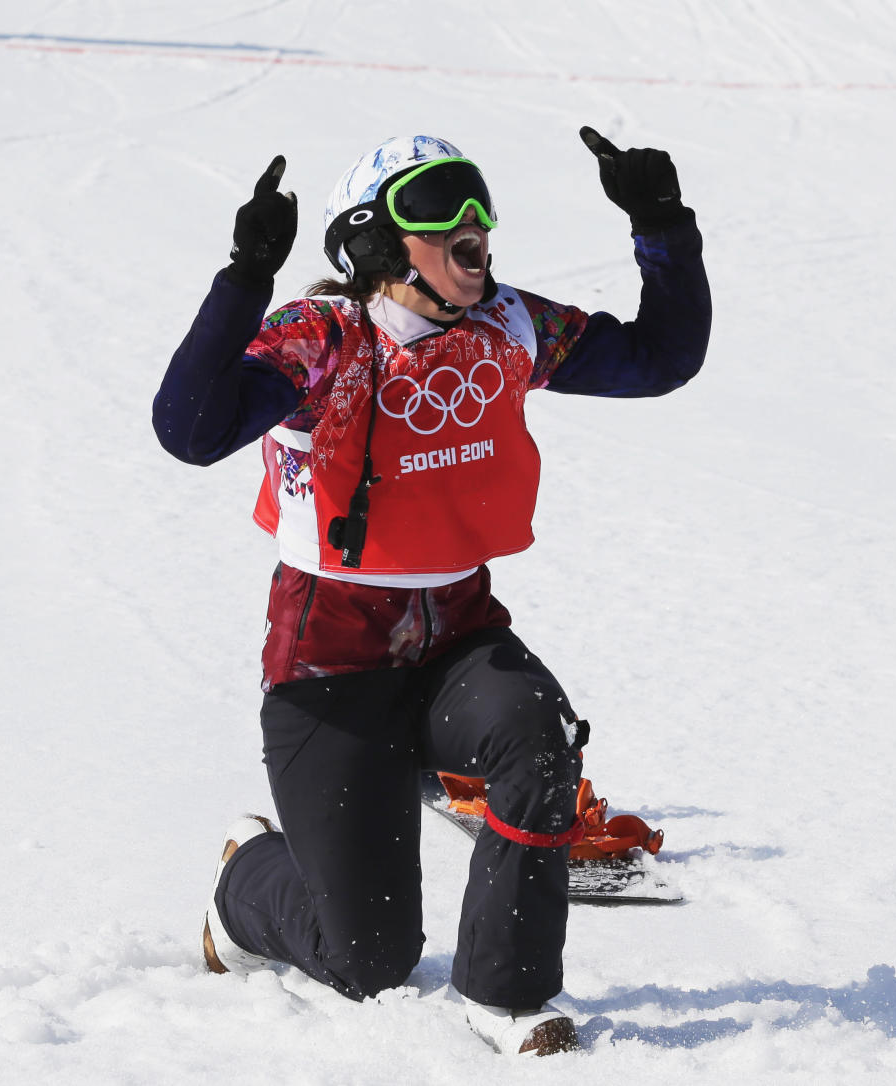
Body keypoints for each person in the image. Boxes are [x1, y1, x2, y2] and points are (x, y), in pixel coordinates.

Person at [152, 128, 711, 1056]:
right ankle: (246, 879)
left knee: (534, 729)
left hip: (455, 633)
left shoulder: (511, 329)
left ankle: (505, 997)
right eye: (437, 204)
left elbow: (661, 360)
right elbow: (189, 427)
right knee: (366, 959)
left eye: (478, 201)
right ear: (374, 241)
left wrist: (662, 226)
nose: (472, 223)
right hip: (330, 660)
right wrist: (245, 275)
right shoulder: (325, 341)